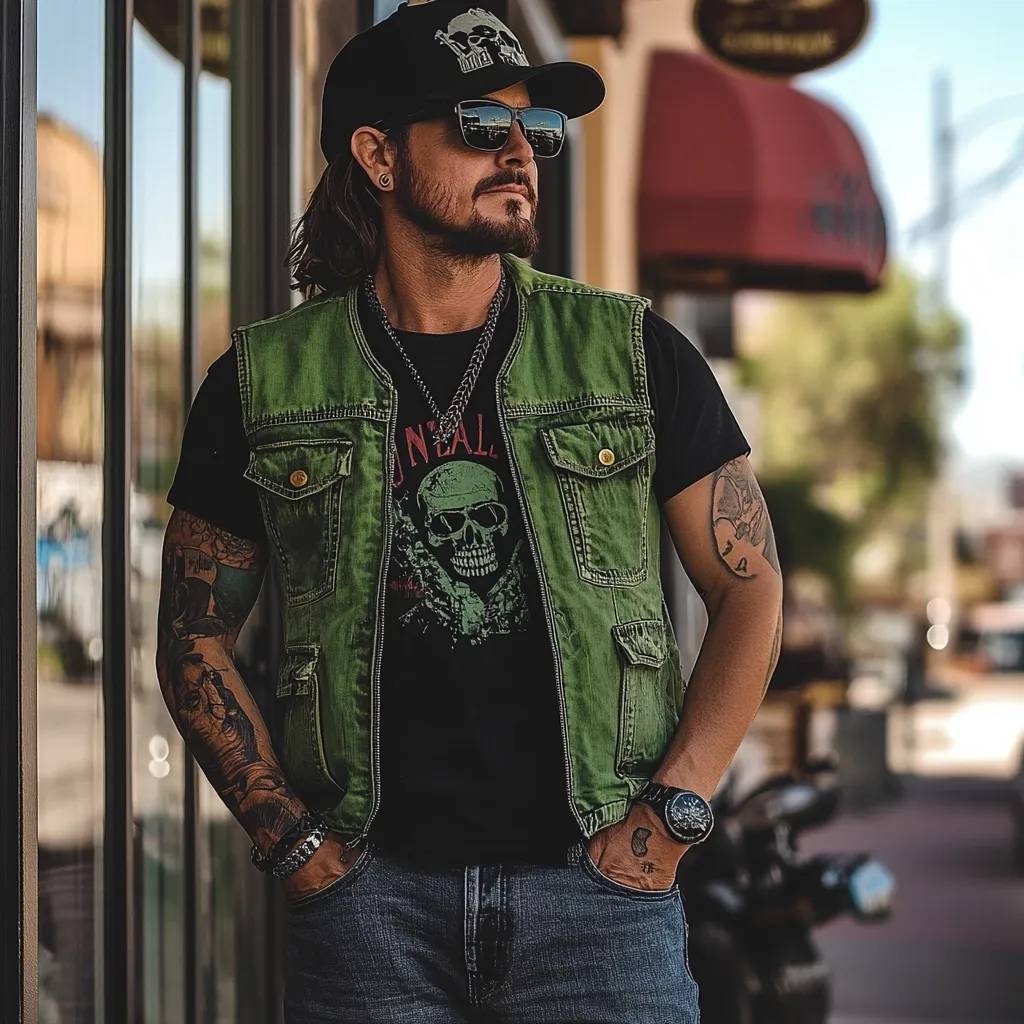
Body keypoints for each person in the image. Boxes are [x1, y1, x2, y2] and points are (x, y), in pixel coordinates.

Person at [157, 2, 783, 1021]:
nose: (521, 156)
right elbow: (192, 636)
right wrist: (294, 844)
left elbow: (747, 584)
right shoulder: (265, 383)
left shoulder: (628, 353)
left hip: (600, 901)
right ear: (377, 152)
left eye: (535, 133)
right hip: (371, 912)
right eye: (480, 130)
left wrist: (672, 809)